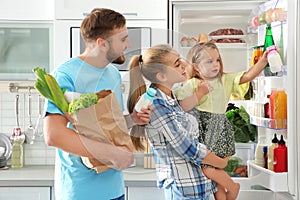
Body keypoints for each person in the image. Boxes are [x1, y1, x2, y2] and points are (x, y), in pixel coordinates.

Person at [43, 8, 151, 200]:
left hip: (115, 189)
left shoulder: (113, 74)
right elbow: (54, 135)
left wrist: (132, 119)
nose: (129, 44)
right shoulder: (64, 75)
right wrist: (113, 154)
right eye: (123, 39)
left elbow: (108, 126)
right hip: (79, 193)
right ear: (102, 44)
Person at [127, 44, 232, 200]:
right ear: (161, 76)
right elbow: (187, 147)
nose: (184, 64)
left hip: (195, 188)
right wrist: (221, 162)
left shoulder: (171, 98)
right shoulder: (156, 104)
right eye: (177, 63)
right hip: (184, 190)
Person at [174, 42, 268, 199]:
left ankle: (233, 187)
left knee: (208, 170)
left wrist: (263, 61)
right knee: (214, 178)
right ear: (196, 67)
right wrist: (199, 93)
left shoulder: (225, 80)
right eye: (209, 61)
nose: (216, 64)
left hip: (218, 129)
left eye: (217, 60)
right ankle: (229, 192)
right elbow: (182, 105)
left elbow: (247, 76)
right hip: (201, 131)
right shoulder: (194, 84)